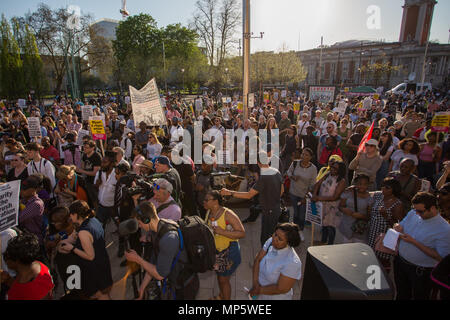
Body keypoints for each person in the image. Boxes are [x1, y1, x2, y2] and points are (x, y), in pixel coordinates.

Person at [125, 201, 200, 300]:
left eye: (139, 223)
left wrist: (138, 259)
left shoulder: (168, 238)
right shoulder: (157, 230)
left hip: (185, 287)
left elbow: (159, 274)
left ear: (146, 220)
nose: (139, 227)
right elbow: (153, 263)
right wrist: (142, 288)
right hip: (176, 283)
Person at [393, 192, 450, 300]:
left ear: (432, 208)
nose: (417, 213)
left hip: (421, 273)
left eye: (420, 211)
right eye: (414, 209)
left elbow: (441, 258)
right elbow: (401, 224)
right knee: (401, 295)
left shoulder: (445, 229)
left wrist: (414, 242)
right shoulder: (413, 213)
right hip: (401, 264)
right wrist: (397, 227)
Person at [221, 150, 284, 246]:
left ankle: (267, 256)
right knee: (271, 234)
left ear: (258, 163)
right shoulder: (277, 172)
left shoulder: (264, 177)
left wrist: (230, 193)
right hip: (276, 208)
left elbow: (249, 195)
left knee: (266, 239)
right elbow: (282, 191)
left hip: (269, 211)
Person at [58, 200, 113, 300]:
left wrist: (72, 248)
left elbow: (90, 256)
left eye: (71, 214)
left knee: (101, 295)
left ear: (75, 214)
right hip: (103, 263)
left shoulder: (83, 232)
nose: (70, 217)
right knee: (104, 294)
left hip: (95, 270)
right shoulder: (94, 220)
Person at [204, 191, 245, 300]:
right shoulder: (209, 212)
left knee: (223, 280)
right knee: (220, 277)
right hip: (217, 253)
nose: (204, 202)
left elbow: (241, 233)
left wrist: (222, 232)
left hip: (228, 252)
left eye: (207, 200)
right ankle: (221, 296)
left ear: (215, 202)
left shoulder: (227, 214)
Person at [249, 223, 302, 300]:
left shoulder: (293, 262)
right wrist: (255, 283)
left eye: (280, 239)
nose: (274, 238)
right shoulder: (270, 242)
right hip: (259, 293)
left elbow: (281, 289)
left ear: (288, 243)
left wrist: (258, 290)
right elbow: (258, 259)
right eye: (275, 234)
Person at [1, 233, 54, 300]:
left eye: (8, 255)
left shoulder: (34, 291)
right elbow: (20, 286)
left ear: (17, 261)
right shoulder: (38, 265)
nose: (5, 258)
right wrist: (8, 280)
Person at [368, 177, 405, 270]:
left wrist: (386, 216)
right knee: (371, 258)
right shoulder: (378, 195)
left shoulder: (397, 204)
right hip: (372, 232)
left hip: (385, 236)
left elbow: (398, 226)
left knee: (382, 261)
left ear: (394, 190)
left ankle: (382, 281)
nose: (383, 189)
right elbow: (365, 193)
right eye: (383, 186)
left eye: (387, 188)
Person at [312, 161, 347, 245]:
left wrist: (318, 198)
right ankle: (323, 241)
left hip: (332, 207)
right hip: (323, 204)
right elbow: (317, 184)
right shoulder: (327, 174)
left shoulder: (341, 181)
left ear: (340, 170)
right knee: (323, 224)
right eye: (332, 167)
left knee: (330, 226)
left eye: (335, 168)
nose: (332, 169)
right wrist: (314, 194)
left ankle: (330, 244)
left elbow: (335, 197)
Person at [287, 148, 317, 241]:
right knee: (295, 213)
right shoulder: (295, 163)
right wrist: (292, 176)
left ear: (311, 157)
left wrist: (306, 196)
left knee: (302, 215)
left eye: (306, 155)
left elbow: (312, 185)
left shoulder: (313, 169)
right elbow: (288, 172)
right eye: (303, 154)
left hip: (304, 195)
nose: (304, 156)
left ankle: (300, 231)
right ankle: (295, 231)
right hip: (293, 193)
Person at [338, 174, 371, 243]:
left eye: (365, 184)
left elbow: (369, 216)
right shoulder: (348, 193)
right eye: (360, 184)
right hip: (346, 226)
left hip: (360, 229)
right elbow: (340, 206)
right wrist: (344, 209)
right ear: (355, 184)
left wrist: (361, 216)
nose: (362, 186)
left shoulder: (370, 198)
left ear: (368, 185)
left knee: (357, 250)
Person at [94, 152, 117, 230]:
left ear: (112, 163)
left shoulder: (117, 174)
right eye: (102, 162)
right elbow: (95, 188)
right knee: (99, 228)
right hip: (101, 207)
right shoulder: (99, 173)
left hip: (113, 209)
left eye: (105, 162)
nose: (102, 164)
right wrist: (97, 184)